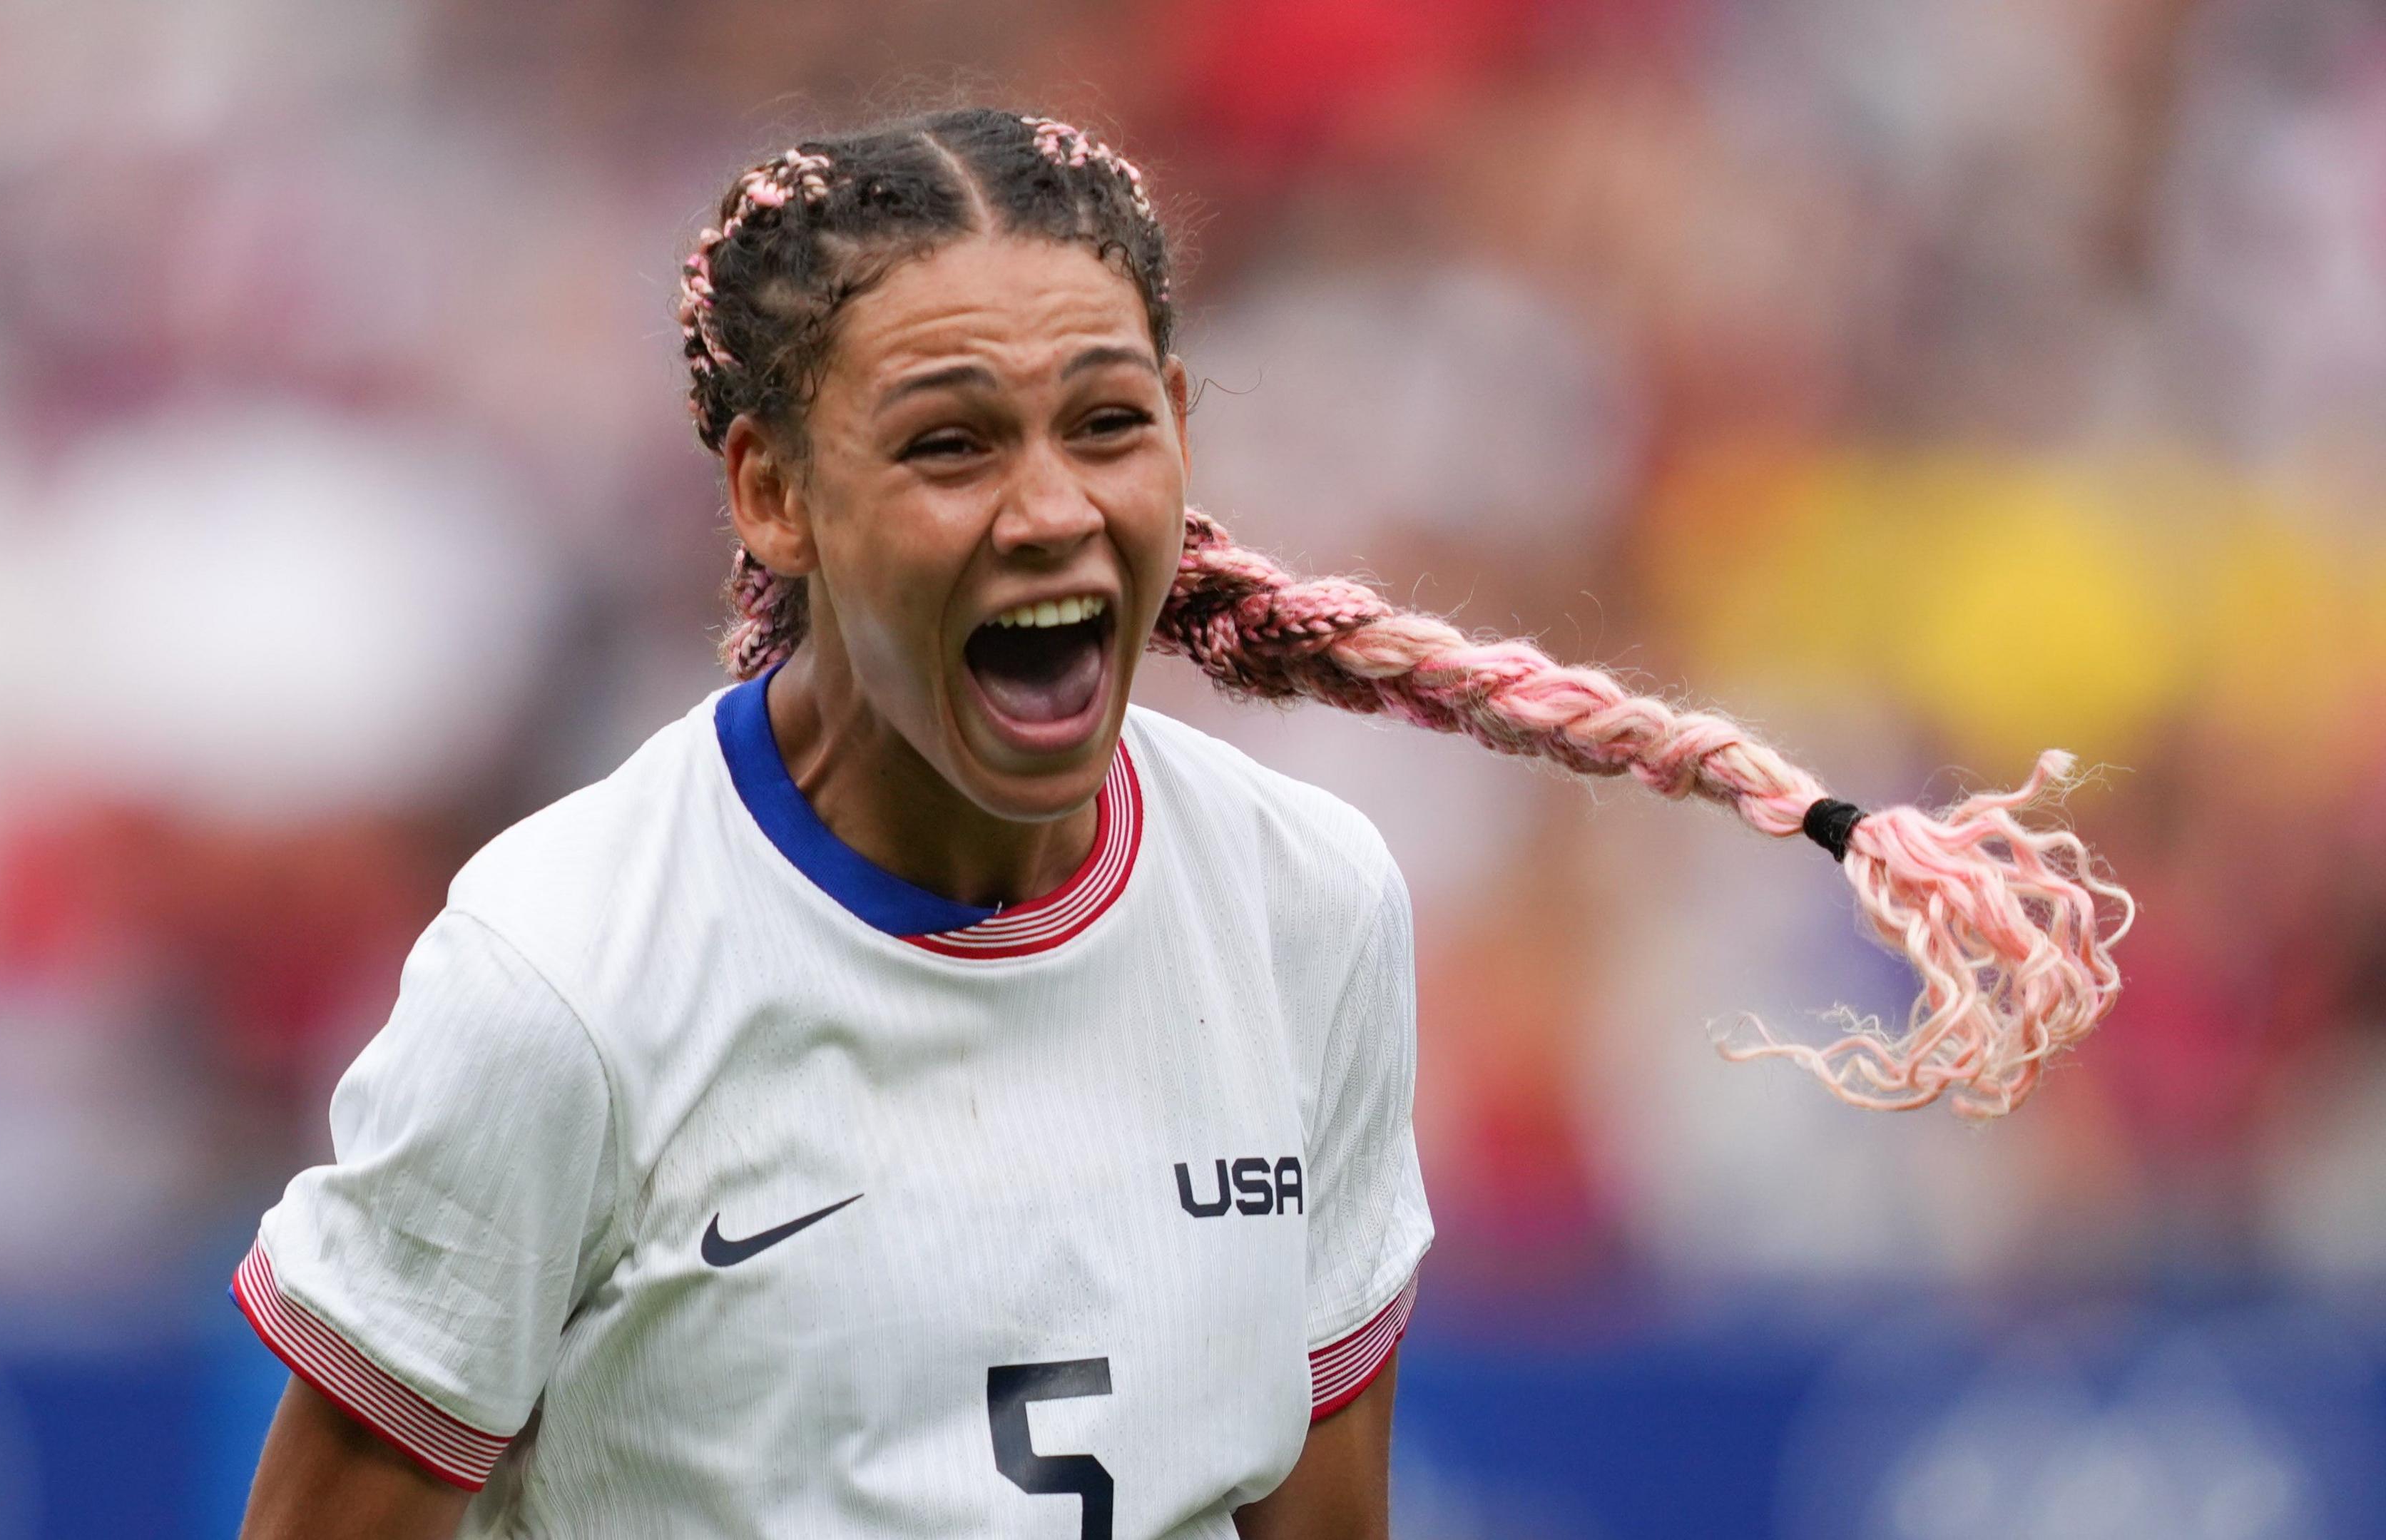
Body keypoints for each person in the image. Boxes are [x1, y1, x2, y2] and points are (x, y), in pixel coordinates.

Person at [230, 108, 2130, 1539]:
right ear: (773, 495)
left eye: (1110, 423)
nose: (1052, 508)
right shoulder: (559, 977)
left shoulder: (1304, 906)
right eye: (951, 442)